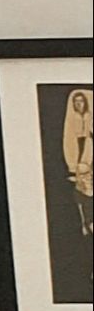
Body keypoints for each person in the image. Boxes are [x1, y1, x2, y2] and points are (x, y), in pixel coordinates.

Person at [64, 89, 93, 237]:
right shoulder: (72, 119)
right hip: (79, 149)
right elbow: (69, 140)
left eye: (81, 101)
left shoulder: (90, 117)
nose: (79, 104)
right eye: (77, 102)